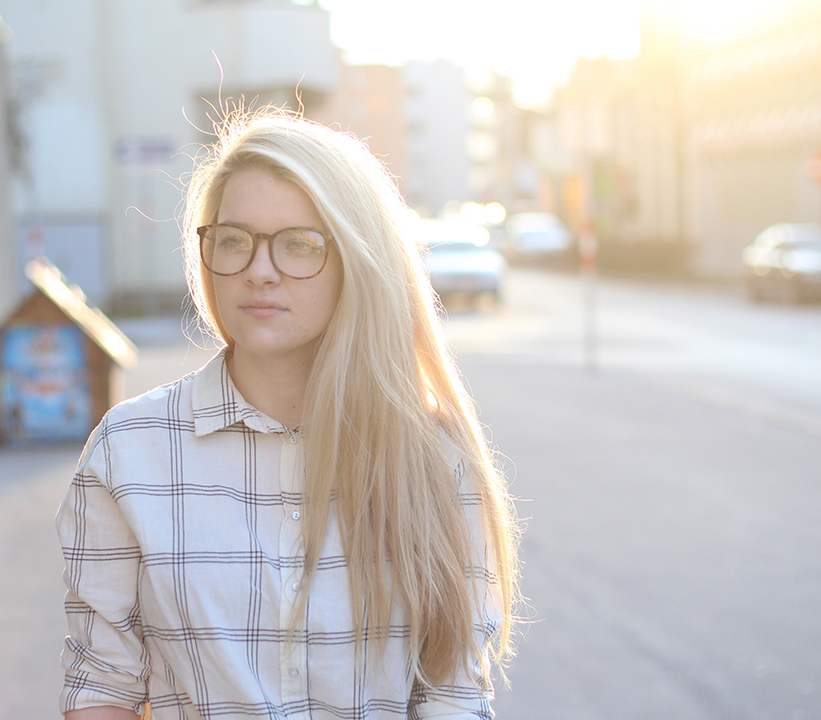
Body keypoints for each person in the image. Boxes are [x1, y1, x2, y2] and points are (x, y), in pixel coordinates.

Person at [56, 108, 520, 720]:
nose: (259, 270)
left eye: (299, 244)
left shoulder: (433, 455)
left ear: (357, 259)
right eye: (233, 240)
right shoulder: (129, 452)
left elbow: (454, 695)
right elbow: (102, 689)